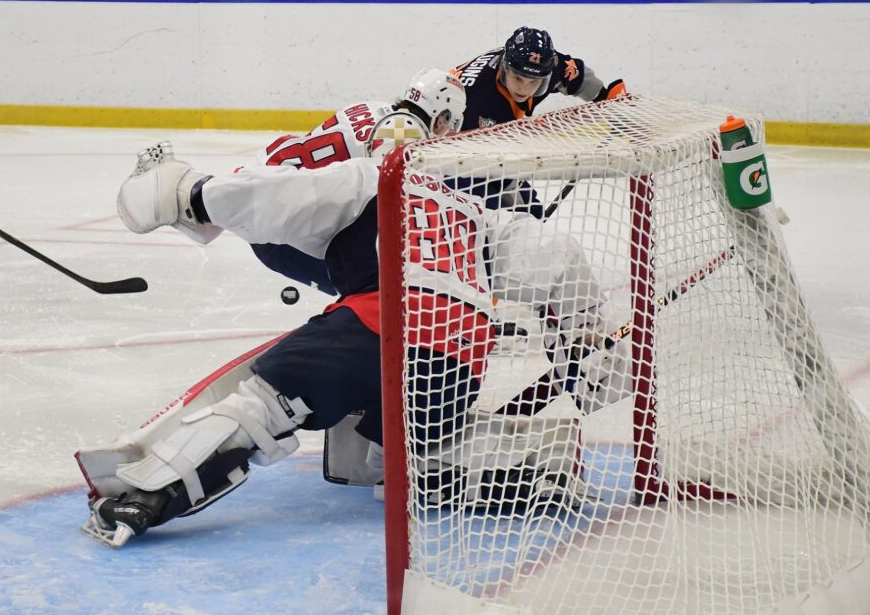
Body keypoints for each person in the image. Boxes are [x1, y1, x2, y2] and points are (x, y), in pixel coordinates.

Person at [77, 115, 620, 546]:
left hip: (380, 324)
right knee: (406, 448)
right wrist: (585, 338)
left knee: (262, 407)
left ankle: (148, 498)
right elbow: (560, 256)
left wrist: (190, 192)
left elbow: (276, 199)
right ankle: (527, 464)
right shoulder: (475, 211)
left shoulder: (366, 178)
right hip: (463, 359)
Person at [247, 68, 467, 295]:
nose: (449, 132)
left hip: (266, 192)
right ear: (442, 118)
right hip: (277, 231)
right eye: (452, 124)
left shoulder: (374, 107)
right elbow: (384, 206)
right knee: (378, 283)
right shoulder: (400, 138)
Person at [451, 26, 627, 217]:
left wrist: (606, 98)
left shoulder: (548, 65)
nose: (524, 88)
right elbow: (495, 172)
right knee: (492, 215)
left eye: (533, 82)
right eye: (518, 77)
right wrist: (522, 212)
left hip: (485, 151)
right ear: (504, 68)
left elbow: (578, 77)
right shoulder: (482, 100)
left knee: (531, 212)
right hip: (446, 156)